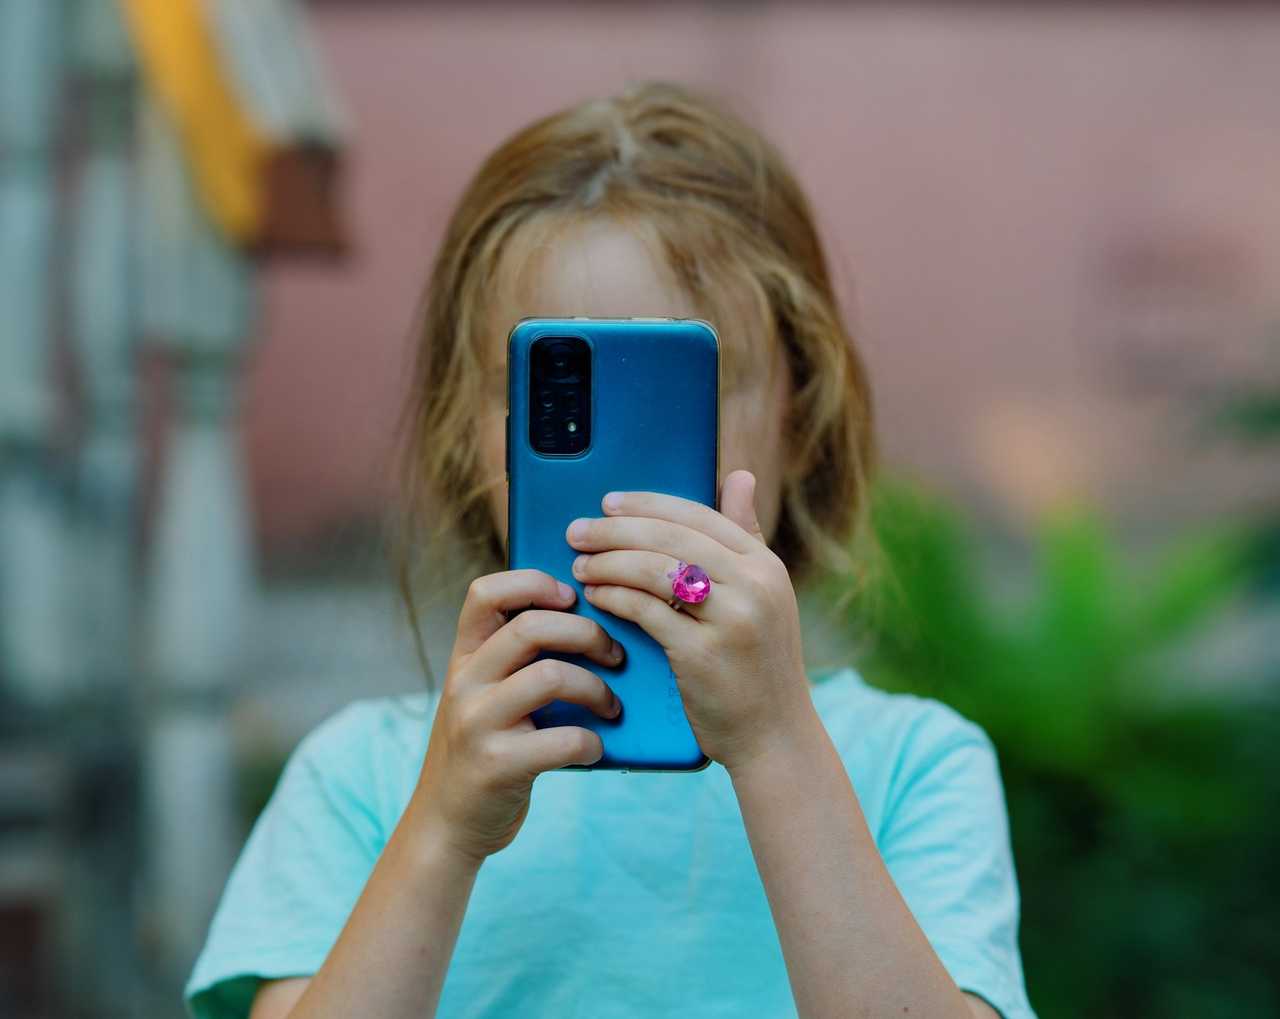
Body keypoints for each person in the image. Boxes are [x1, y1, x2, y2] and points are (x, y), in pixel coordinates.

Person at [185, 80, 1036, 1019]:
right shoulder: (364, 781)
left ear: (806, 417)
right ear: (468, 440)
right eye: (562, 396)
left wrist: (774, 742)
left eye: (687, 390)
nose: (630, 476)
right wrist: (443, 834)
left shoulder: (914, 767)